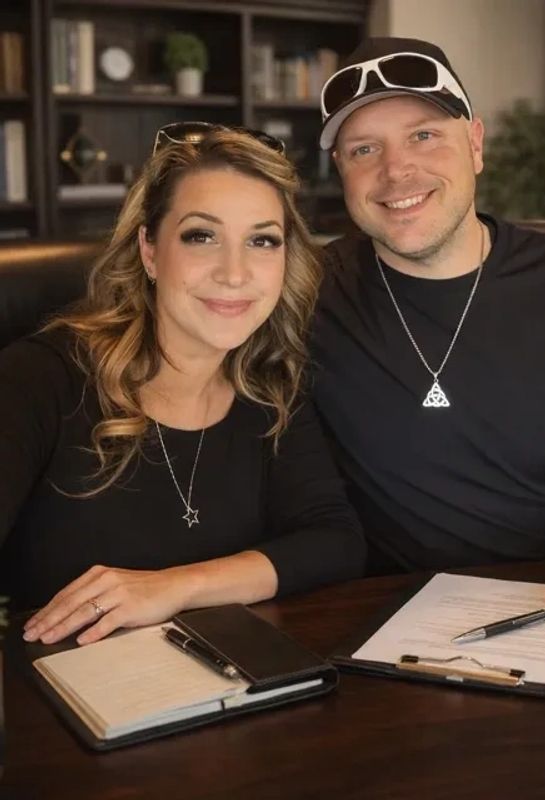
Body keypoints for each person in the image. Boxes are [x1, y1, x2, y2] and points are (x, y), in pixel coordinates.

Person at [0, 122, 365, 645]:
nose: (235, 273)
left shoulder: (270, 384)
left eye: (262, 240)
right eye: (202, 236)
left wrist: (175, 587)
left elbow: (335, 541)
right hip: (58, 697)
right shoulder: (39, 378)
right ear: (149, 250)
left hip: (226, 692)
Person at [311, 36, 545, 612]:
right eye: (363, 150)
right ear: (340, 170)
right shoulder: (302, 294)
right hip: (389, 625)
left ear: (474, 144)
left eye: (424, 135)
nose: (397, 171)